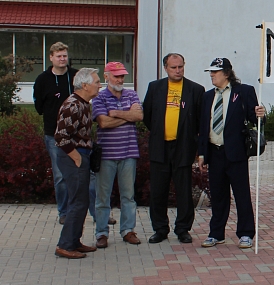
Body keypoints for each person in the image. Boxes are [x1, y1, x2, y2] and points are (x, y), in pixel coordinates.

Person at [198, 58, 265, 250]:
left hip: (235, 152)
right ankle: (216, 233)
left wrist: (261, 113)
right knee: (218, 196)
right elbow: (203, 126)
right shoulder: (207, 96)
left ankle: (245, 233)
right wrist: (202, 153)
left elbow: (255, 117)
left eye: (215, 72)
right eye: (210, 71)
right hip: (214, 151)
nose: (211, 75)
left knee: (241, 194)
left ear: (226, 73)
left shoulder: (243, 92)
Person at [143, 53, 205, 244]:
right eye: (173, 67)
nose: (178, 71)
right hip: (160, 147)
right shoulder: (155, 88)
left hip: (184, 147)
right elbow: (147, 115)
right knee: (158, 191)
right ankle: (160, 229)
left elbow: (200, 122)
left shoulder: (195, 89)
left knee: (184, 191)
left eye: (180, 67)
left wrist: (197, 147)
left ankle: (183, 229)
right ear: (165, 68)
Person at [92, 62, 143, 248]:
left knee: (128, 196)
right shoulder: (99, 97)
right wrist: (126, 114)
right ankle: (101, 233)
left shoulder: (131, 94)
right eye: (116, 76)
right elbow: (103, 122)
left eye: (122, 76)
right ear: (106, 76)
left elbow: (139, 117)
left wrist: (116, 113)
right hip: (106, 154)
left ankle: (128, 230)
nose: (120, 79)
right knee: (103, 197)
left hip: (129, 153)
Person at [53, 68, 101, 259]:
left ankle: (74, 241)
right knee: (78, 201)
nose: (100, 84)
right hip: (74, 155)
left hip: (80, 154)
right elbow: (61, 136)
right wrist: (77, 157)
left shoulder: (83, 104)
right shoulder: (73, 105)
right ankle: (65, 245)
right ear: (85, 85)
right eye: (97, 81)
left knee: (81, 200)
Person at [34, 42, 78, 224]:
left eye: (65, 56)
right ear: (51, 57)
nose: (62, 59)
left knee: (85, 173)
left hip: (76, 133)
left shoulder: (75, 76)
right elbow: (39, 106)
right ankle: (64, 212)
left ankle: (95, 211)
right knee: (60, 175)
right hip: (54, 135)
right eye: (59, 56)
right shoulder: (42, 80)